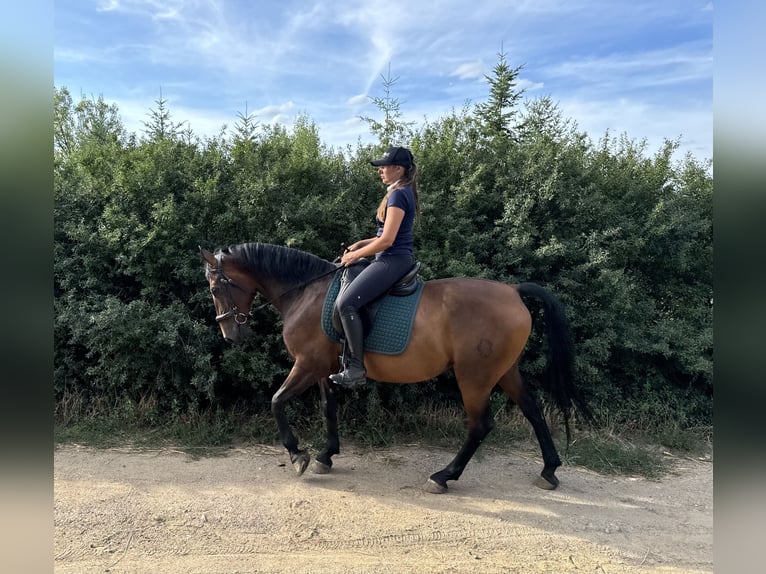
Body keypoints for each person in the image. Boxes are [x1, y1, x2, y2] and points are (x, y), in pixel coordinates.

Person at [330, 146, 420, 387]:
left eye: (384, 166)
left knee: (346, 303)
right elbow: (383, 234)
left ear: (398, 169)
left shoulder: (399, 195)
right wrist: (359, 243)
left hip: (393, 259)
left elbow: (388, 240)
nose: (380, 170)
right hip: (389, 256)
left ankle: (356, 369)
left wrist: (356, 254)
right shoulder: (398, 191)